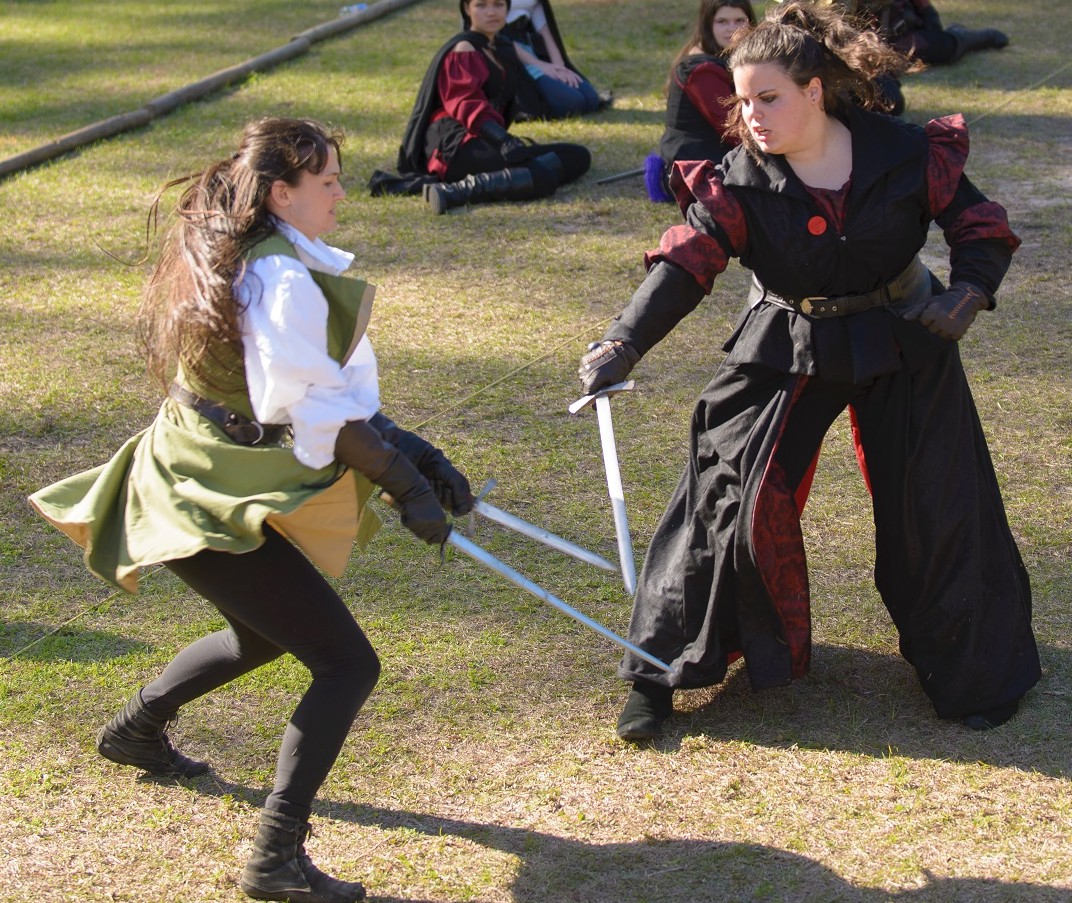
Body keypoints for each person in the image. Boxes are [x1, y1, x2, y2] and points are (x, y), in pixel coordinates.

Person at [29, 117, 474, 903]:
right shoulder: (279, 277)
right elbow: (301, 400)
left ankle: (135, 729)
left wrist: (418, 455)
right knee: (346, 664)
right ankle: (273, 859)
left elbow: (314, 396)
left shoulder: (266, 255)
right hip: (196, 493)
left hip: (198, 477)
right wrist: (402, 480)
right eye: (327, 180)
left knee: (266, 637)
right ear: (281, 192)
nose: (341, 191)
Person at [576, 1, 1040, 743]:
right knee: (724, 493)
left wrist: (967, 291)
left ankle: (974, 669)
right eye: (742, 100)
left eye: (769, 98)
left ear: (815, 91)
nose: (752, 116)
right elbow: (688, 263)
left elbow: (980, 226)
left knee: (940, 504)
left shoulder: (904, 152)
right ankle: (655, 673)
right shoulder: (737, 179)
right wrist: (622, 343)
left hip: (902, 338)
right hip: (786, 339)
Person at [384, 0, 591, 214]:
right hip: (455, 146)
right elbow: (466, 105)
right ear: (467, 9)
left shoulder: (502, 47)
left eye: (498, 5)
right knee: (543, 177)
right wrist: (503, 140)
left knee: (577, 156)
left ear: (508, 9)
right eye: (481, 5)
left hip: (485, 141)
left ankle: (513, 174)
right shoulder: (463, 50)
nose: (491, 12)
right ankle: (452, 193)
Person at [644, 0, 757, 203]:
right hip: (694, 172)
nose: (732, 29)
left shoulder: (731, 57)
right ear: (708, 24)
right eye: (722, 21)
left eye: (739, 20)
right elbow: (735, 130)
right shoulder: (701, 70)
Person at [501, 0, 606, 120]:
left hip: (530, 50)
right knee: (573, 102)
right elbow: (498, 36)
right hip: (510, 57)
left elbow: (544, 30)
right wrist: (539, 65)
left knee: (591, 99)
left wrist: (559, 66)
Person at [857, 0, 1008, 65]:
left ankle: (967, 36)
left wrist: (928, 13)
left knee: (942, 44)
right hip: (858, 42)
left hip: (901, 35)